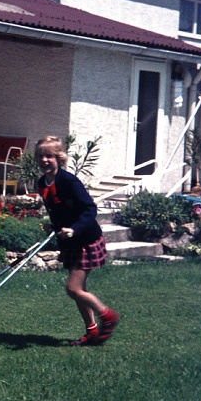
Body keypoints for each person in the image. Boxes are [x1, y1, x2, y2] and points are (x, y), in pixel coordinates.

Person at [35, 136, 119, 346]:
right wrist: (54, 227)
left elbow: (89, 209)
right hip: (71, 241)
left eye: (49, 156)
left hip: (85, 239)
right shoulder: (42, 183)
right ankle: (91, 332)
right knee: (79, 290)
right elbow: (59, 211)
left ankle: (107, 315)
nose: (44, 160)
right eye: (40, 156)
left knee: (73, 289)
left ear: (59, 158)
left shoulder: (69, 181)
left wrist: (74, 229)